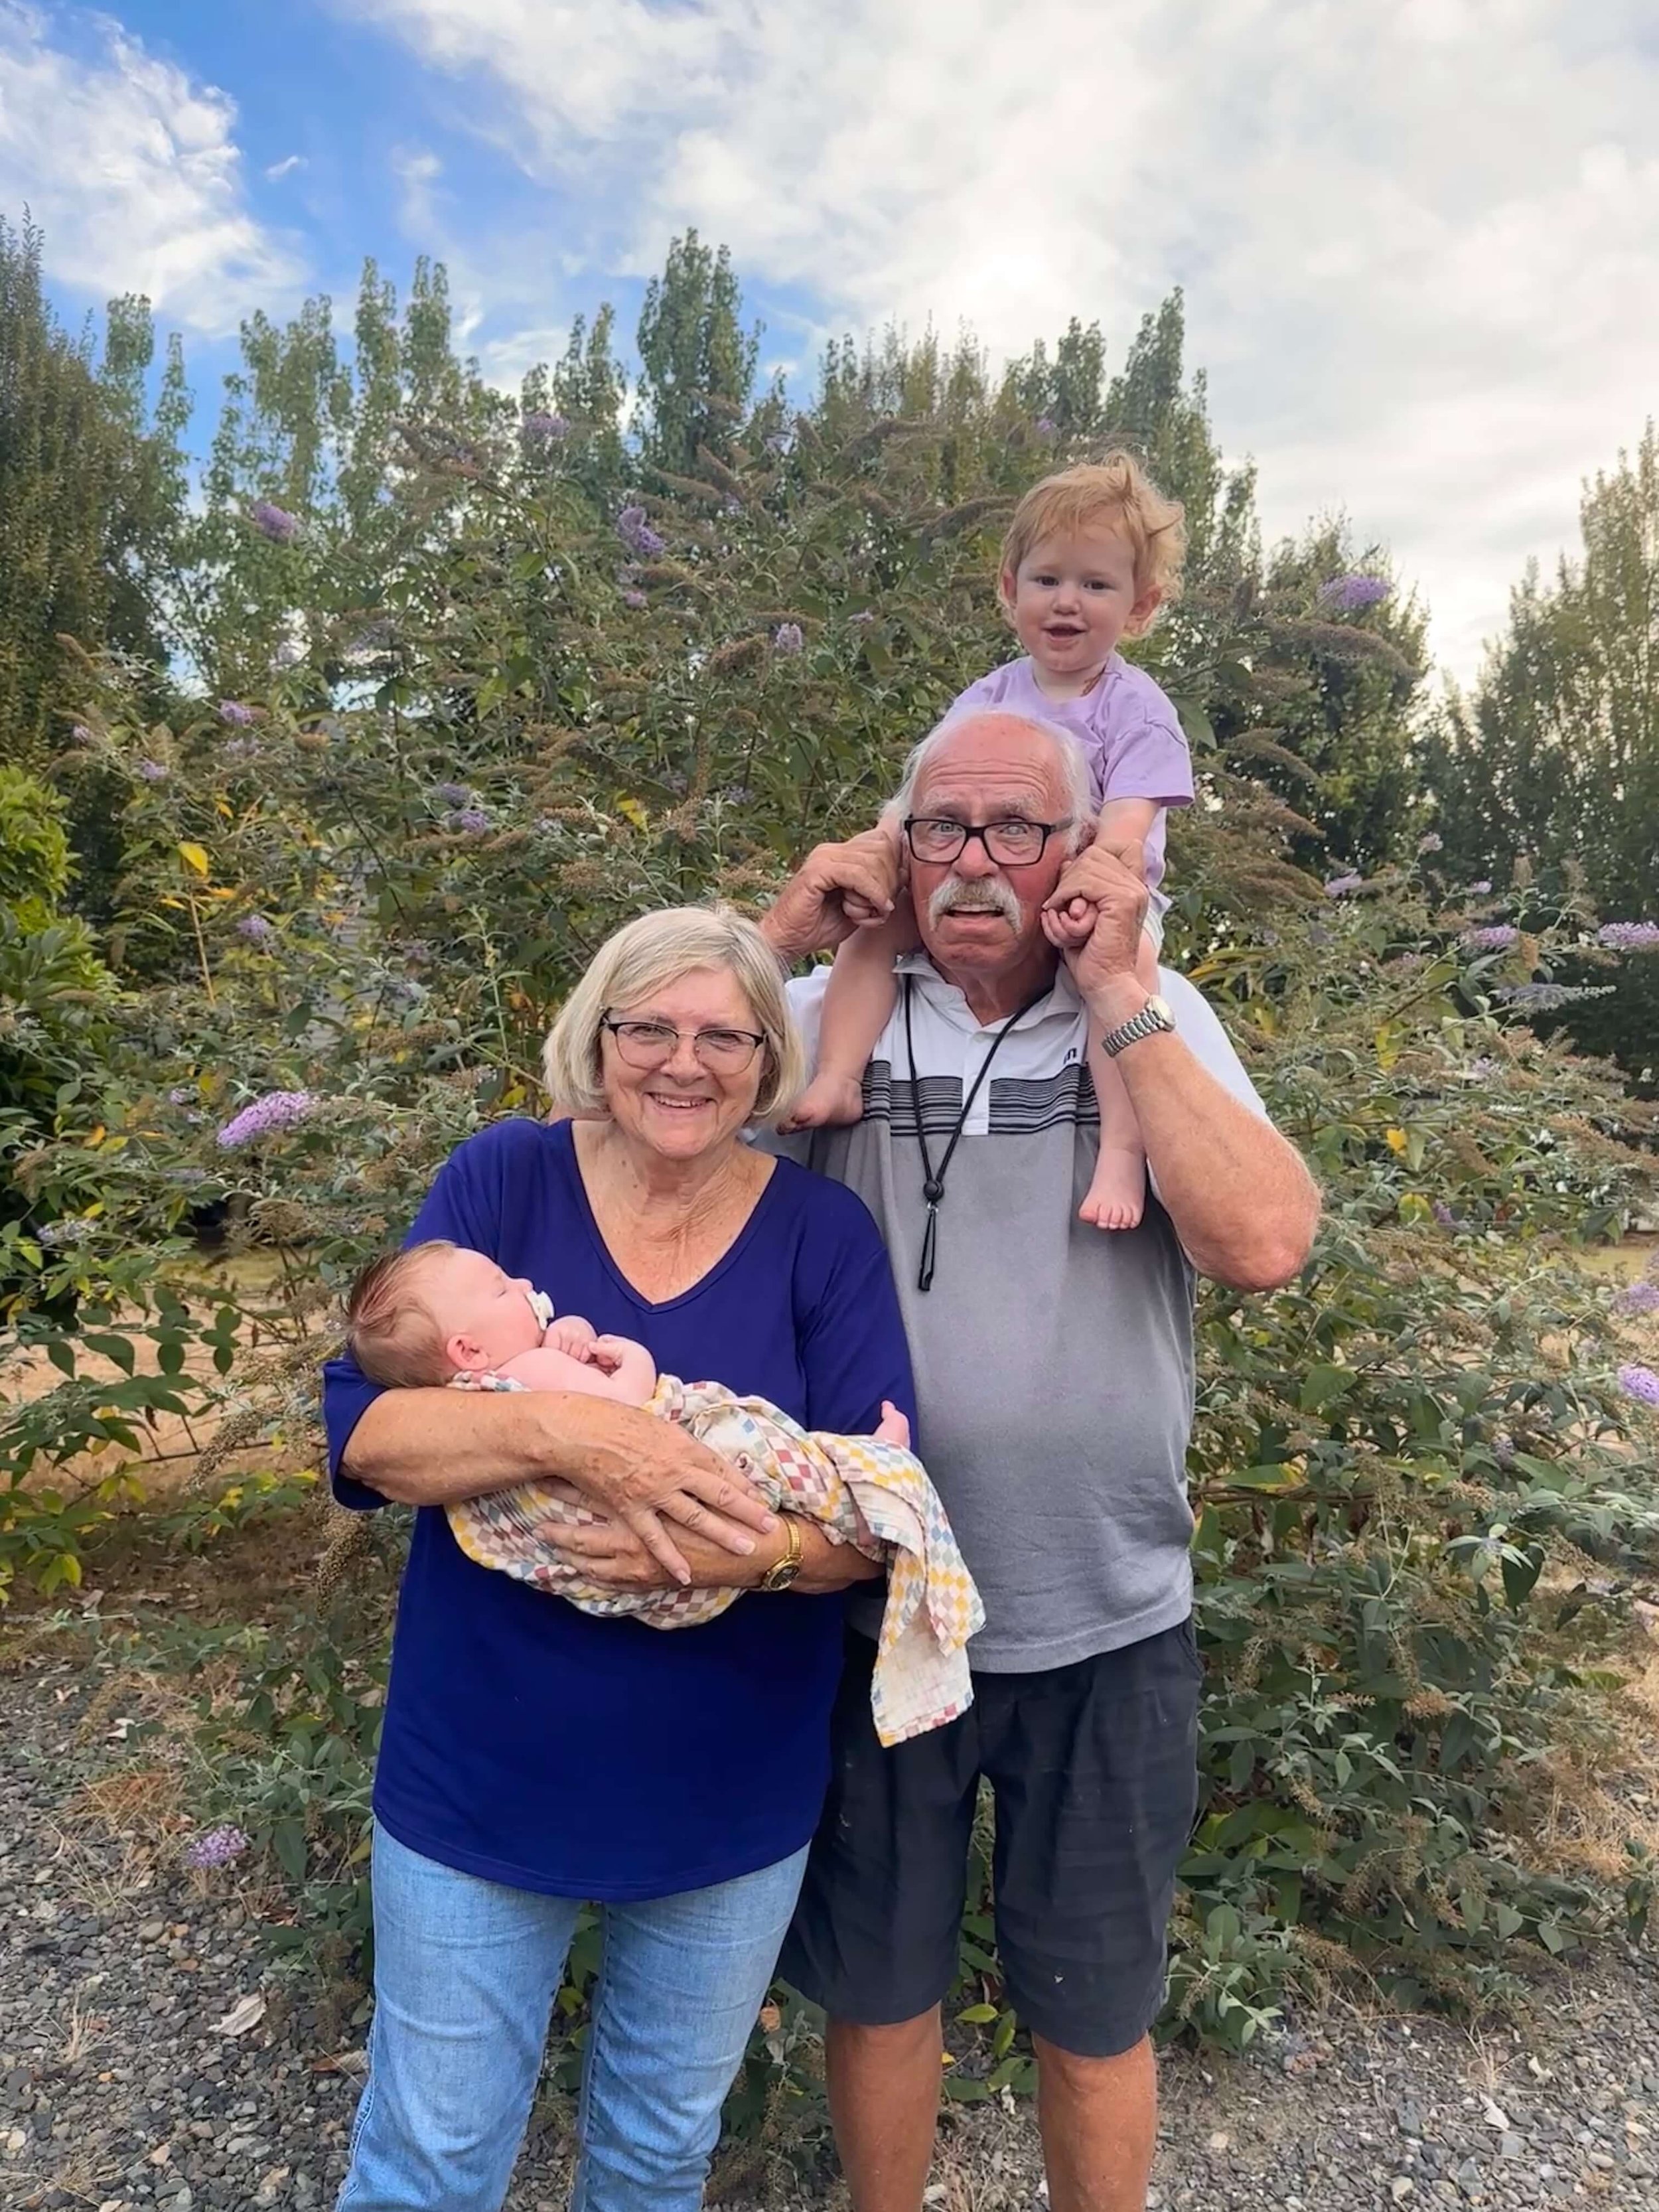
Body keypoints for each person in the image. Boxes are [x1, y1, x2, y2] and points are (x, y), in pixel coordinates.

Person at [750, 707, 1321, 2212]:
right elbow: (599, 1157)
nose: (976, 861)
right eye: (940, 826)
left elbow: (1265, 1241)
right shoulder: (818, 1014)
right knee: (877, 1994)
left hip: (1109, 1616)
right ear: (898, 849)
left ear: (1079, 849)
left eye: (1017, 827)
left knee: (1090, 2014)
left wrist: (1122, 993)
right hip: (879, 1608)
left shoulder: (1153, 1016)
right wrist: (774, 932)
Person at [320, 905, 915, 2212]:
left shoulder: (821, 1234)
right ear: (596, 1035)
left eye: (724, 1033)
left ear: (769, 1057)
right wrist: (584, 1437)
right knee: (430, 2159)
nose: (682, 1061)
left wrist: (745, 1552)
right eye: (648, 1025)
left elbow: (878, 1511)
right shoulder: (500, 1182)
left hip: (726, 1792)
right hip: (479, 1780)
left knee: (653, 2158)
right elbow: (368, 1435)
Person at [342, 1238, 984, 1745]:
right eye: (501, 1288)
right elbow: (628, 1415)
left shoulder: (469, 1397)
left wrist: (562, 1342)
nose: (521, 1284)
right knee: (763, 1453)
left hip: (636, 1671)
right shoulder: (529, 1370)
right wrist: (636, 1365)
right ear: (467, 1348)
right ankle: (875, 1474)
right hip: (684, 1501)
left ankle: (865, 1496)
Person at [788, 455, 1193, 1235]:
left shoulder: (1138, 708)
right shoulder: (985, 698)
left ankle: (1119, 1146)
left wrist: (1077, 894)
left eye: (1096, 585)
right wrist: (879, 855)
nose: (1067, 602)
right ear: (1010, 590)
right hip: (990, 891)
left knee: (1125, 980)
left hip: (1096, 892)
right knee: (874, 930)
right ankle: (840, 1074)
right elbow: (922, 801)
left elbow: (1124, 834)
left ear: (1139, 607)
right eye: (1047, 580)